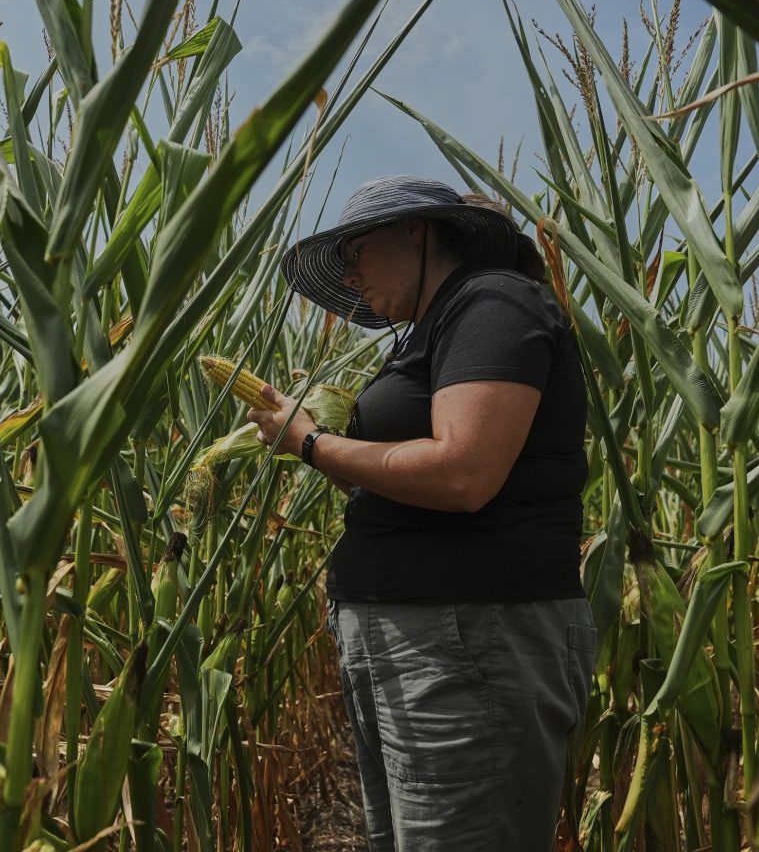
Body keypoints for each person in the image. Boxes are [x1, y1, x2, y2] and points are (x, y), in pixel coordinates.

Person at [246, 175, 596, 851]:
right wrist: (317, 445)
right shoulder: (430, 332)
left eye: (354, 254)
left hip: (469, 637)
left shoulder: (495, 303)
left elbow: (463, 474)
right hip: (418, 636)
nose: (349, 278)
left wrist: (312, 443)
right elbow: (405, 486)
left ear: (418, 229)